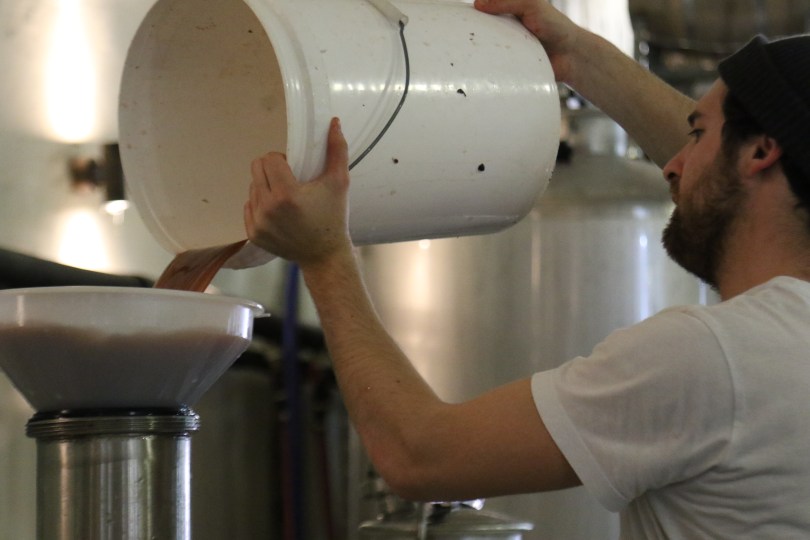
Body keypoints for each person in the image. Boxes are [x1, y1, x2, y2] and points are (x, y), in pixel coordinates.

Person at [243, 0, 810, 537]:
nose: (672, 166)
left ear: (762, 152)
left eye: (697, 133)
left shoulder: (711, 358)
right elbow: (725, 170)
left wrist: (325, 257)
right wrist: (578, 56)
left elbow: (422, 456)